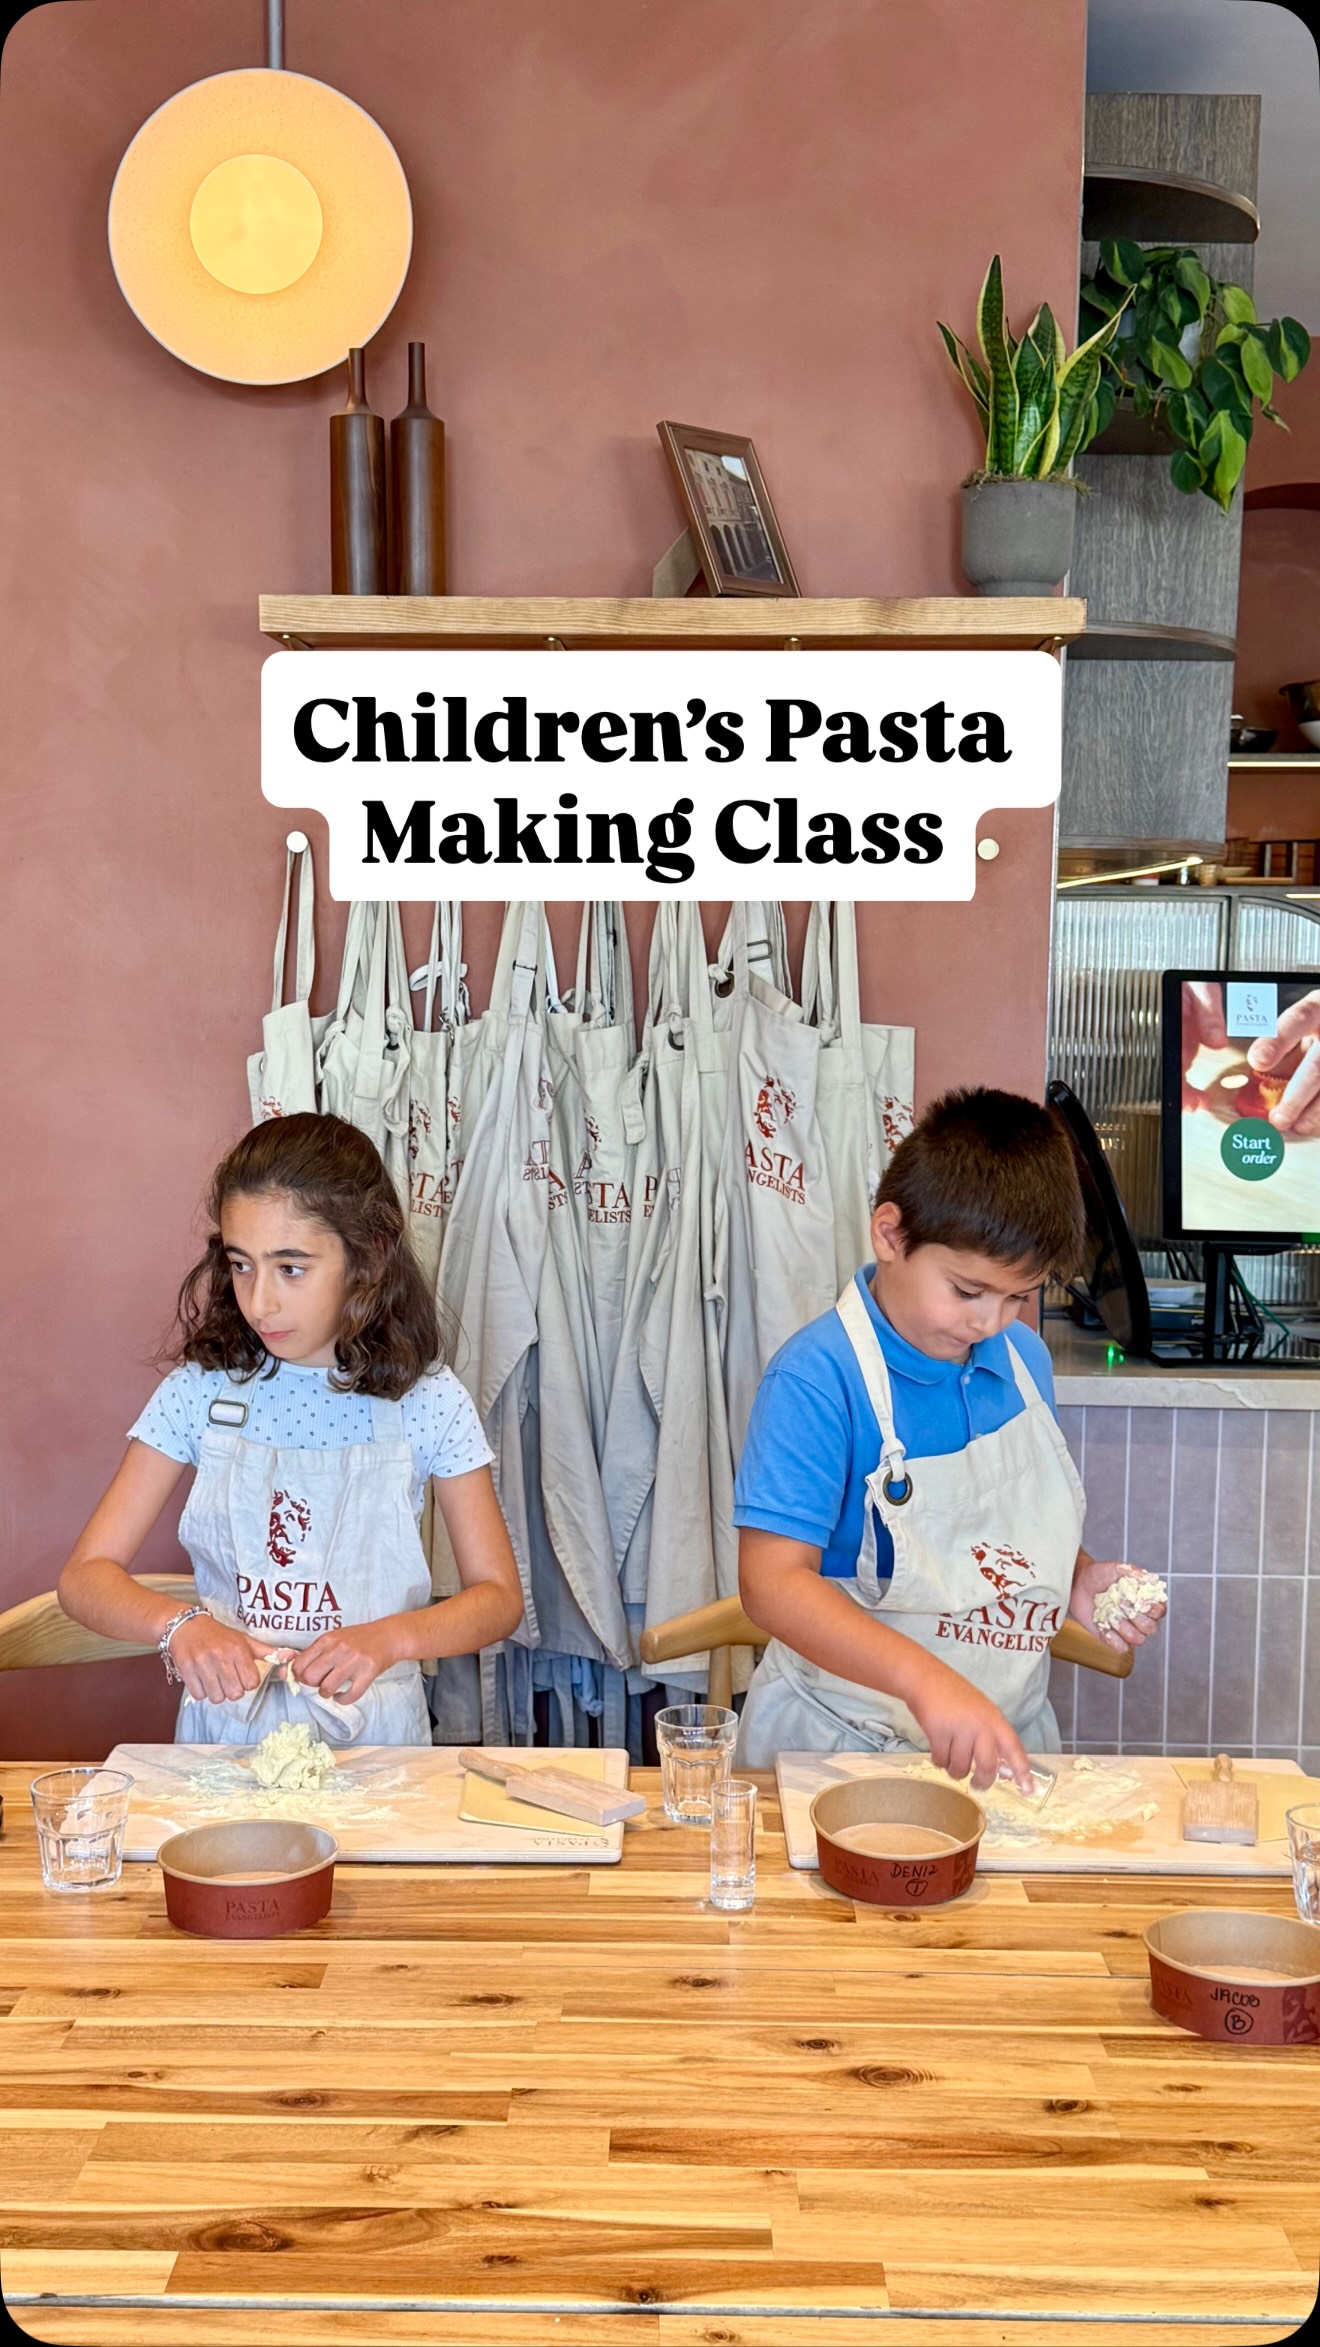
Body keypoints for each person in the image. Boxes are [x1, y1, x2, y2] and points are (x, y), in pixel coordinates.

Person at [733, 1087, 1166, 1787]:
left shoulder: (1022, 1362)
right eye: (967, 1291)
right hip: (843, 1745)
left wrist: (1078, 1577)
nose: (989, 1322)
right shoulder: (818, 1379)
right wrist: (924, 1681)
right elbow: (771, 1583)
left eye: (1018, 1296)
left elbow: (1001, 1536)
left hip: (1001, 1741)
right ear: (892, 1234)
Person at [59, 1114, 524, 1744]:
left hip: (376, 1740)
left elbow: (497, 1596)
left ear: (368, 1256)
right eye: (242, 1265)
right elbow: (85, 1578)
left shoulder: (428, 1401)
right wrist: (181, 1626)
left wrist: (392, 1638)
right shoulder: (199, 1393)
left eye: (292, 1268)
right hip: (226, 1740)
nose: (260, 1302)